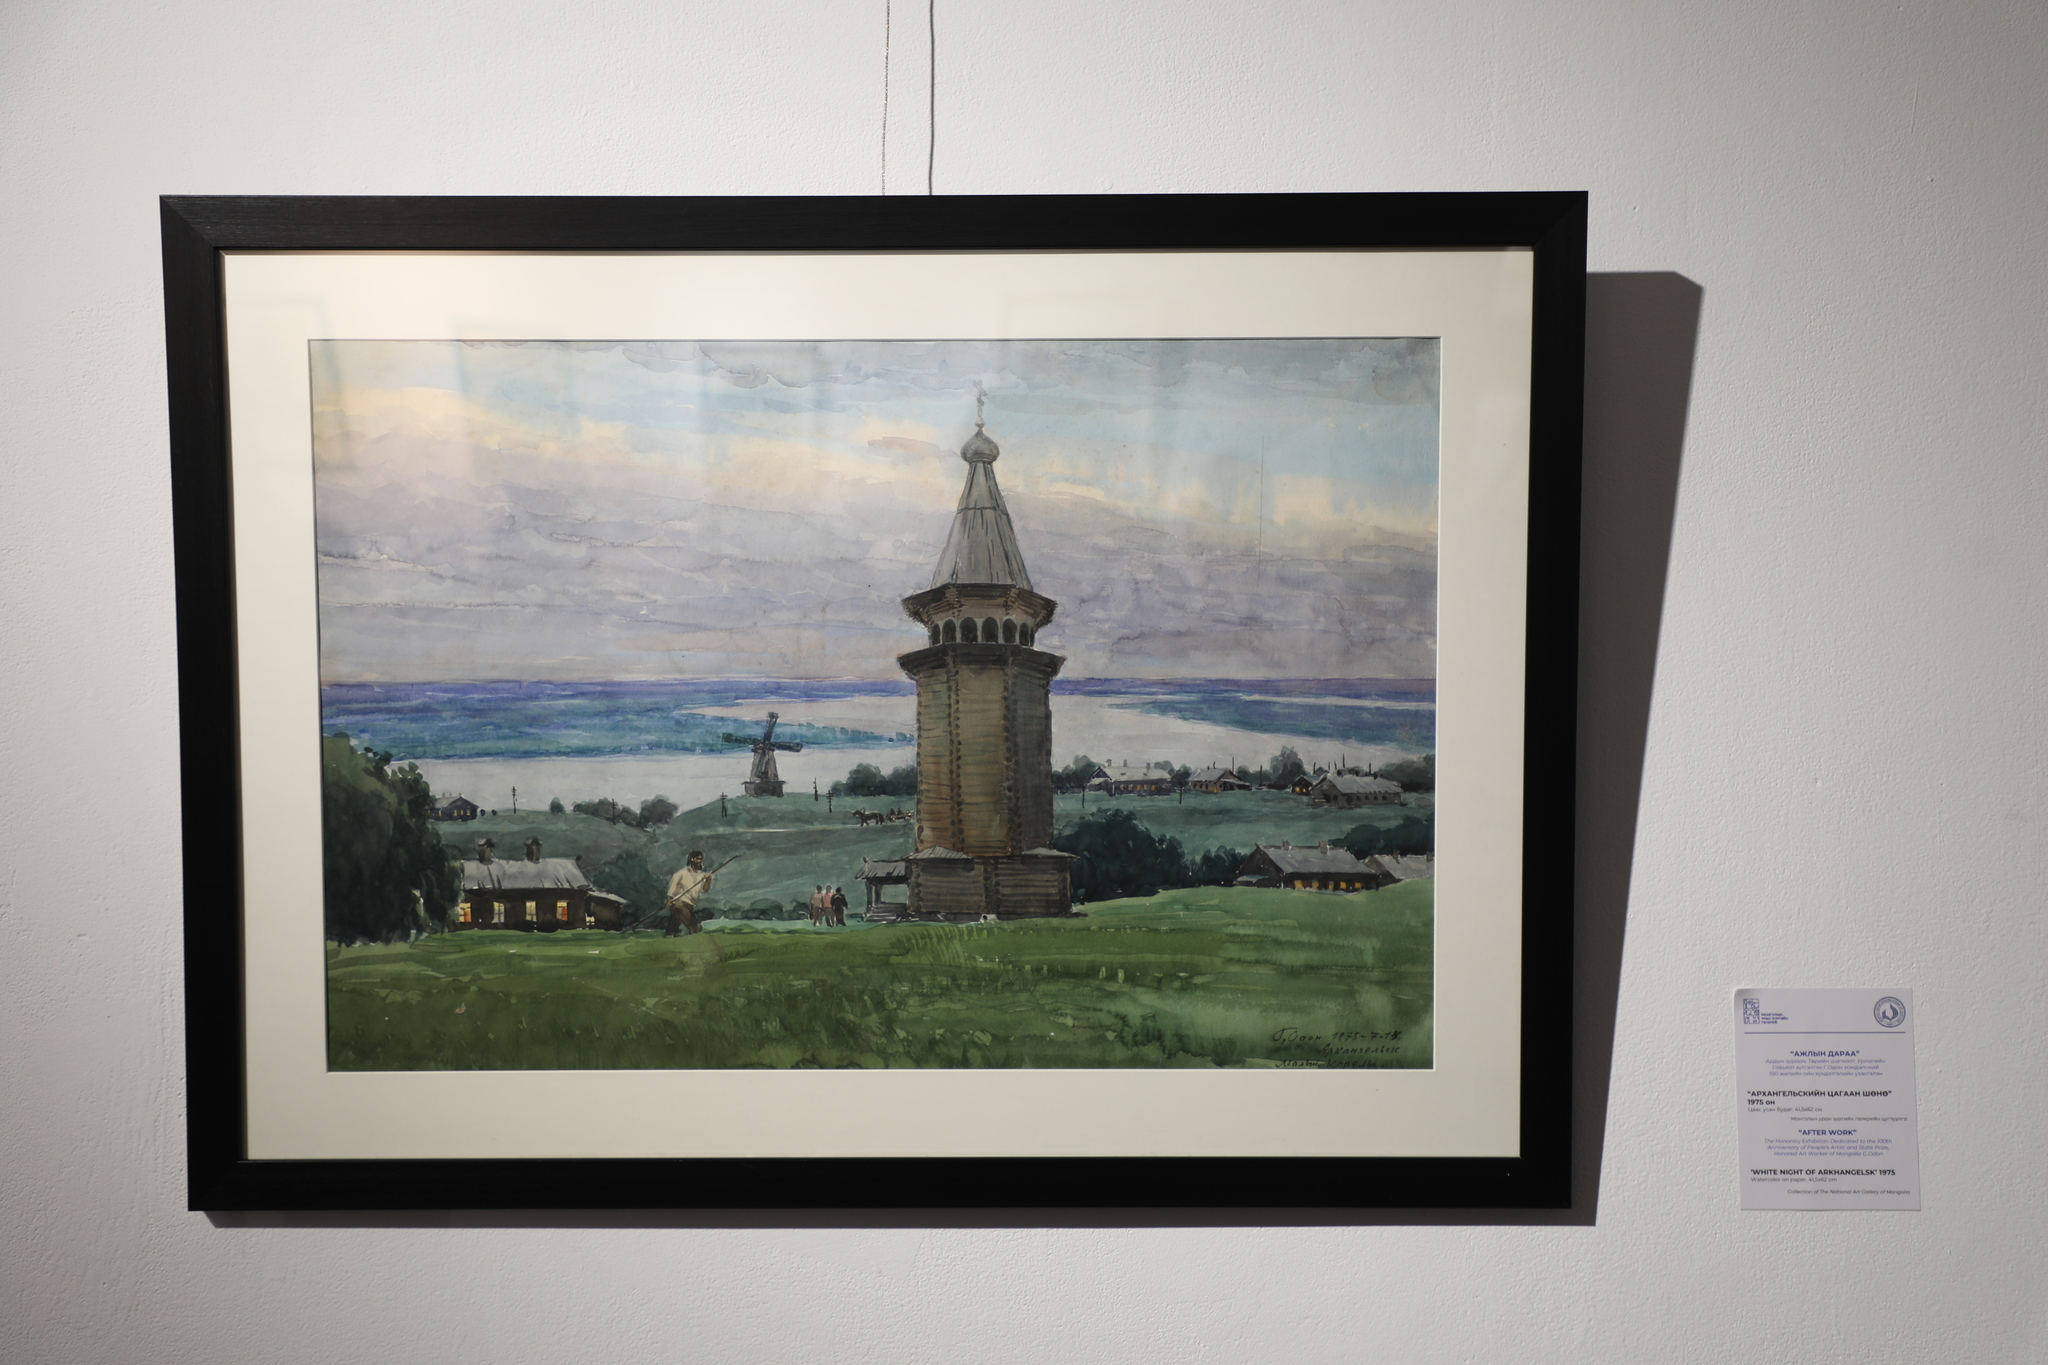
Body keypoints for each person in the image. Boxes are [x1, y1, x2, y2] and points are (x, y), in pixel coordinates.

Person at [664, 851, 714, 936]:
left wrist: (708, 880)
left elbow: (704, 890)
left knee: (674, 926)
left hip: (690, 905)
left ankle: (669, 935)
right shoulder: (682, 873)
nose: (699, 861)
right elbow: (673, 886)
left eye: (700, 859)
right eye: (697, 859)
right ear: (691, 859)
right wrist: (669, 899)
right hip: (679, 904)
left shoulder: (701, 875)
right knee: (694, 928)